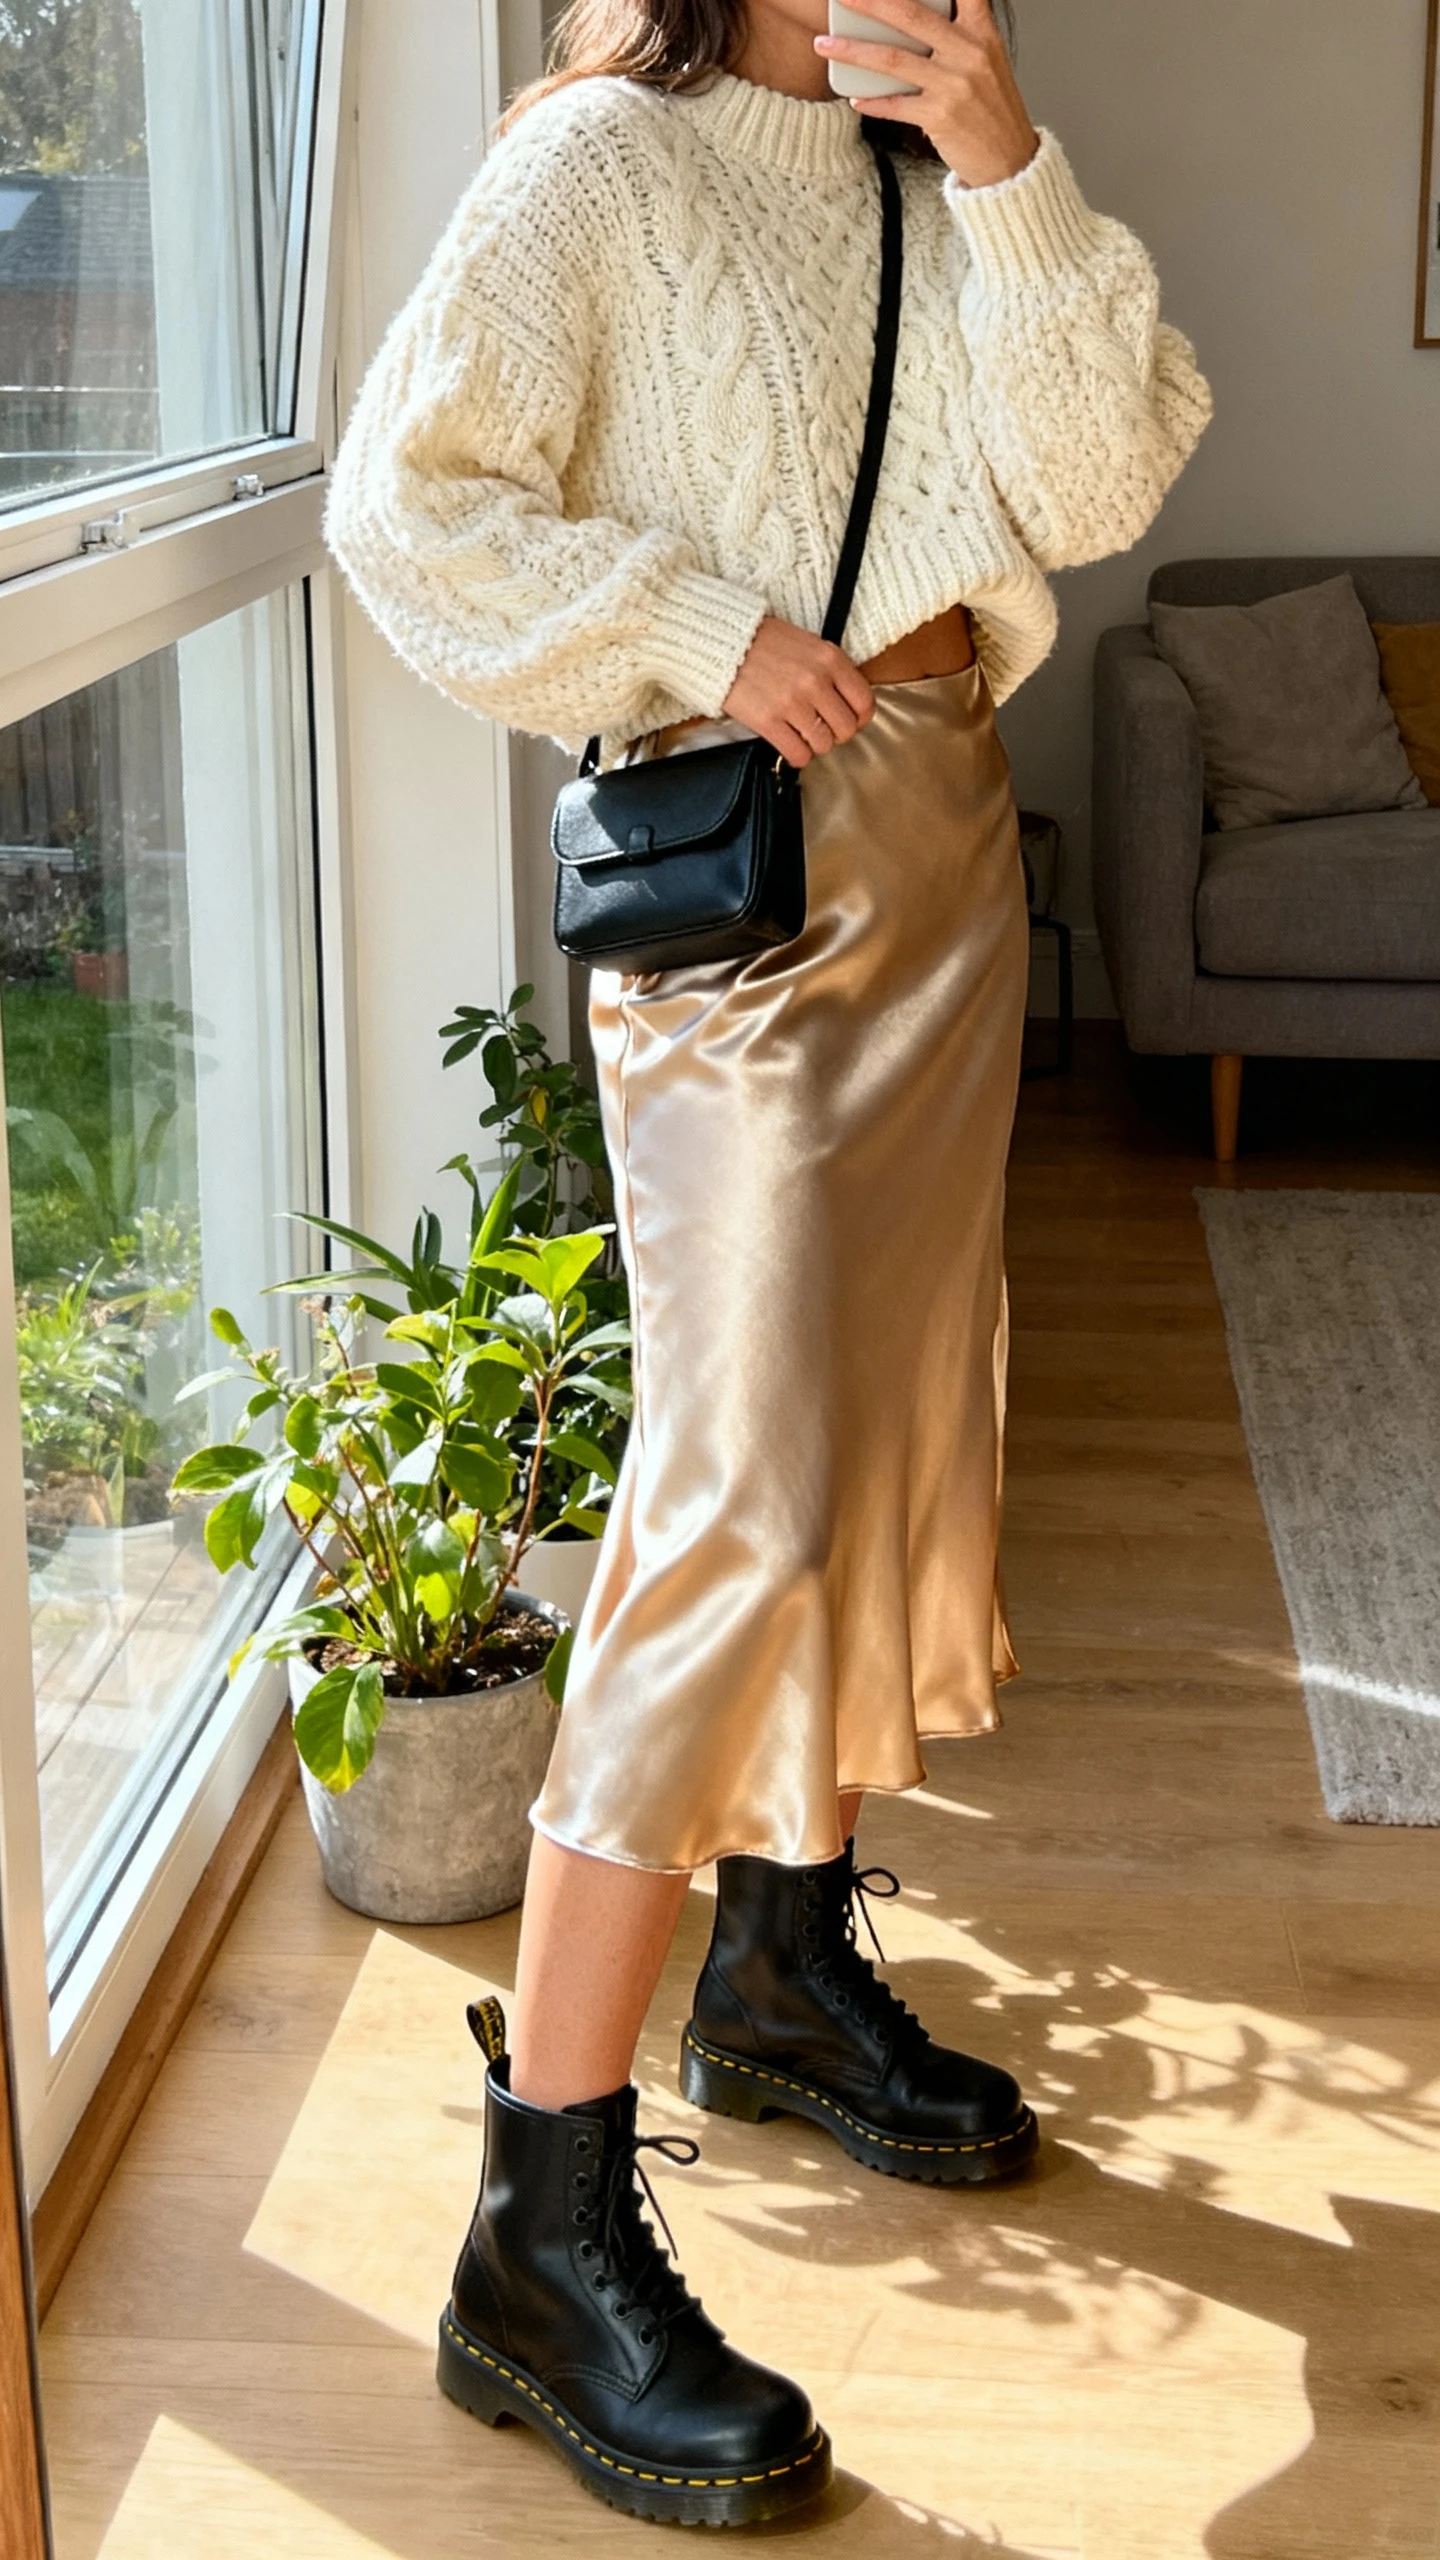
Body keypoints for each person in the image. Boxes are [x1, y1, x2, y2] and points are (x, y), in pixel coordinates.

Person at [327, 0, 1210, 2525]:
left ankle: (785, 1960)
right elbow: (408, 499)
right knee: (740, 1502)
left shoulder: (944, 164)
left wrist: (1016, 157)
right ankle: (542, 2207)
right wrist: (695, 624)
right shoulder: (600, 167)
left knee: (900, 1434)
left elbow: (1105, 463)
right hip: (754, 894)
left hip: (953, 836)